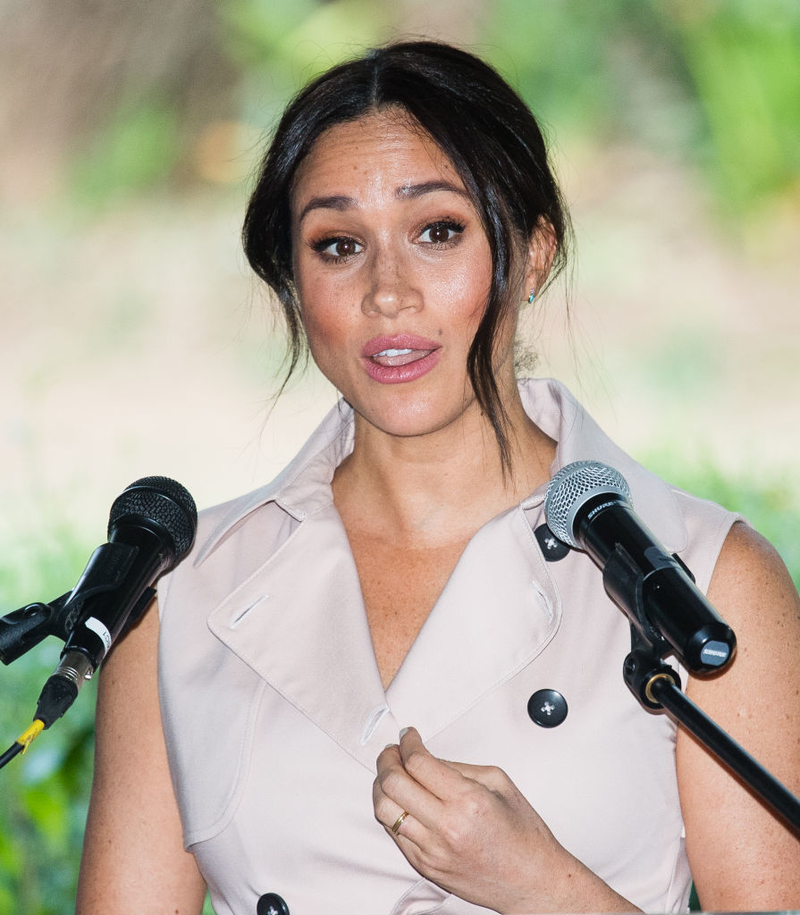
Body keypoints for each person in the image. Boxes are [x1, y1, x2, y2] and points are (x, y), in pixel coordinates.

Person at [76, 41, 800, 915]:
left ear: (535, 253)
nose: (388, 291)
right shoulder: (178, 595)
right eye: (338, 244)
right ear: (293, 289)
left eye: (437, 232)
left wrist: (543, 888)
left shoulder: (706, 580)